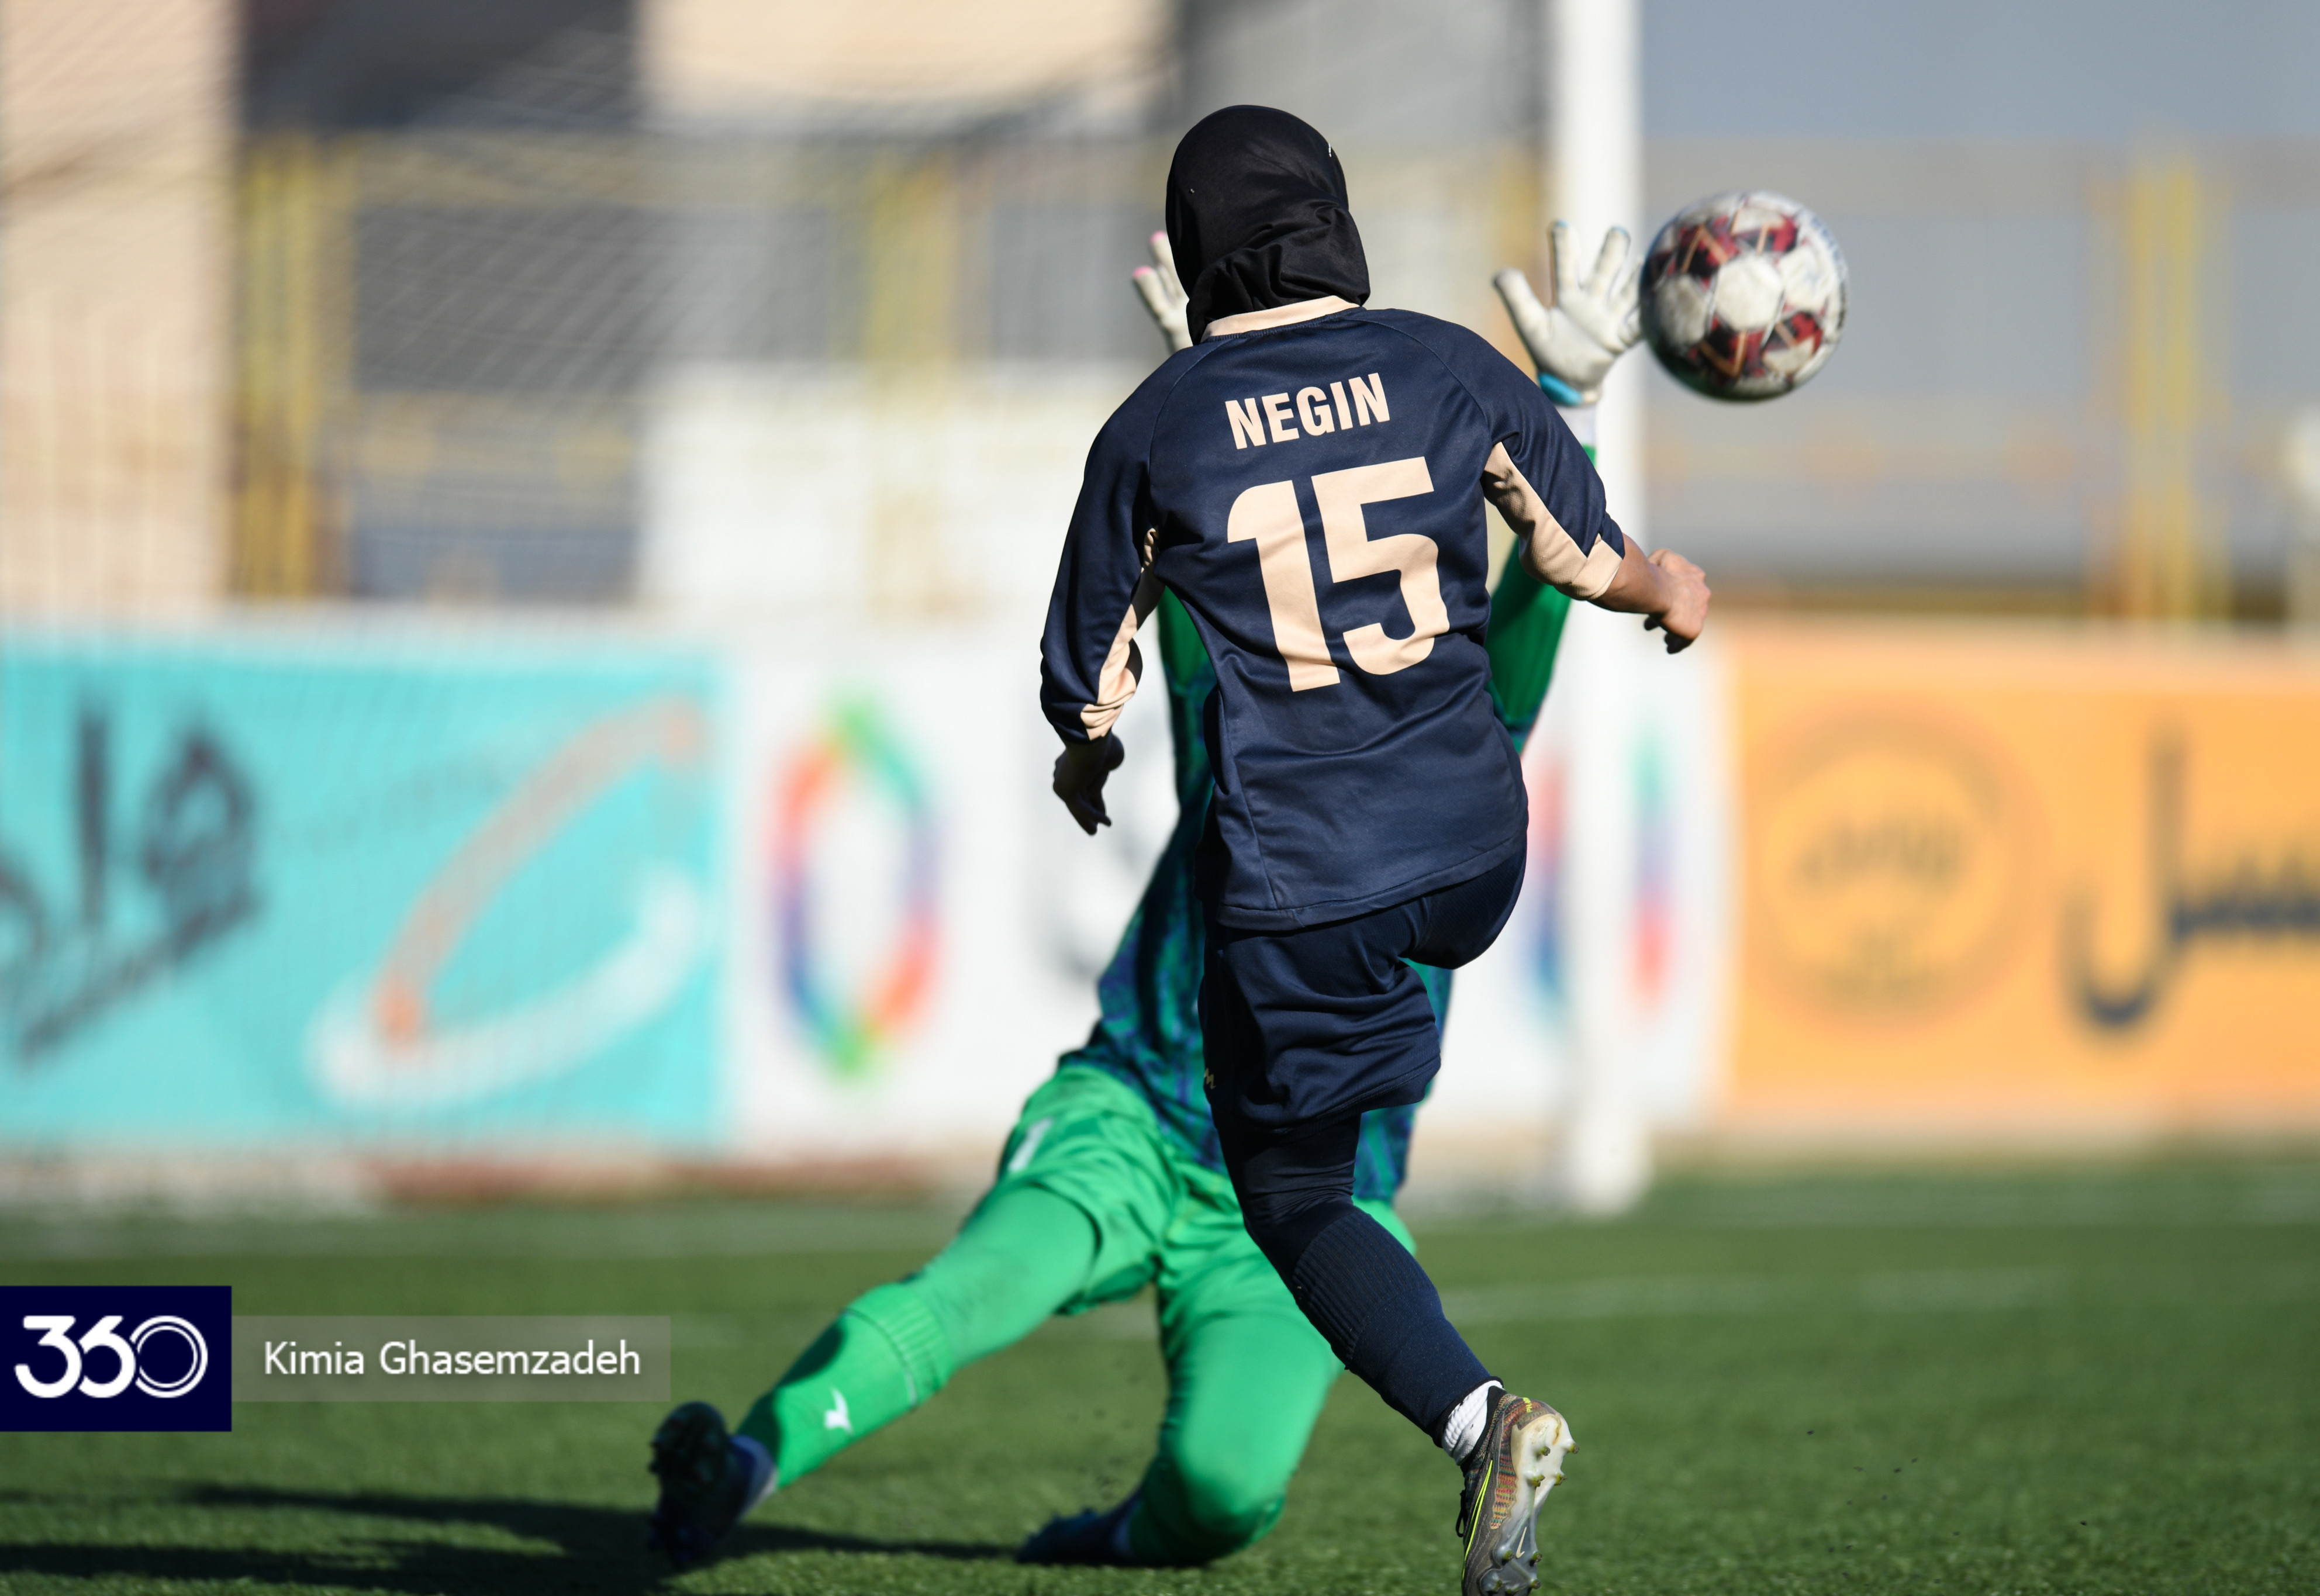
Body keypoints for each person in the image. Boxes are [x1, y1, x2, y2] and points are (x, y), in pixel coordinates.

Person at [644, 129, 1658, 1582]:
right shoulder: (1296, 724)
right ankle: (738, 1470)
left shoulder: (1456, 728)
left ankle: (1113, 1537)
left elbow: (1522, 614)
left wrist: (1551, 402)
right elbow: (1257, 578)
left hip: (1308, 1186)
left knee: (1223, 1495)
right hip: (1138, 1106)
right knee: (973, 1292)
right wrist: (1245, 415)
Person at [1040, 106, 1708, 1596]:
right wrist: (1671, 591)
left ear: (1198, 254)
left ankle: (1482, 1424)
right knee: (1348, 1060)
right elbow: (1581, 558)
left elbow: (1085, 677)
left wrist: (1084, 762)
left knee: (1289, 1201)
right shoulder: (1442, 362)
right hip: (1474, 855)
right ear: (1336, 223)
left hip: (1305, 890)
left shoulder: (1153, 426)